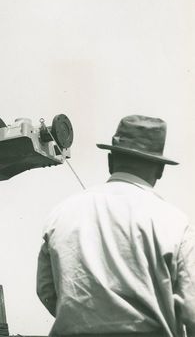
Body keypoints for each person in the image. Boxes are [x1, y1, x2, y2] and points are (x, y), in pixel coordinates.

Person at [36, 115, 195, 337]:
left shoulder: (61, 213)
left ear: (110, 160)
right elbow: (191, 312)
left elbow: (46, 291)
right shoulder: (175, 223)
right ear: (160, 169)